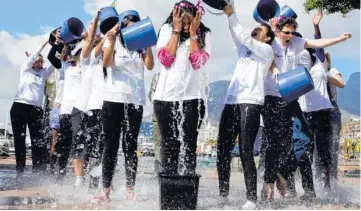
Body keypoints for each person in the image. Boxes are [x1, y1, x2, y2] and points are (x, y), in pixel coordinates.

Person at [261, 15, 352, 201]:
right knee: (281, 145)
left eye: (293, 33)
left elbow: (319, 44)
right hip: (281, 100)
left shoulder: (306, 51)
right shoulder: (278, 47)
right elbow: (261, 47)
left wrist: (339, 38)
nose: (290, 36)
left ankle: (286, 174)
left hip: (302, 103)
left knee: (311, 142)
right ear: (279, 31)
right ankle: (275, 183)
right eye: (287, 33)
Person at [216, 3, 274, 209]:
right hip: (231, 101)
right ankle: (223, 194)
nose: (255, 29)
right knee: (222, 149)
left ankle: (251, 198)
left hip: (251, 102)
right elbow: (237, 34)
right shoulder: (243, 51)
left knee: (245, 150)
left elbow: (245, 37)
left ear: (267, 37)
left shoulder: (266, 51)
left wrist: (233, 15)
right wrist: (229, 15)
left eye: (261, 29)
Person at [93, 10, 154, 202]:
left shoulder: (141, 47)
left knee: (130, 146)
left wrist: (148, 43)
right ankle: (105, 190)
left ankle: (130, 190)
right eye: (130, 22)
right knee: (110, 146)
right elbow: (107, 62)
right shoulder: (115, 41)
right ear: (123, 23)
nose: (133, 25)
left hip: (135, 101)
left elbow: (150, 66)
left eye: (136, 22)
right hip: (113, 99)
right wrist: (110, 39)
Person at [153, 0, 211, 176]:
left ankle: (187, 192)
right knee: (169, 146)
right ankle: (169, 192)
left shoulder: (205, 34)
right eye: (182, 22)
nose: (186, 26)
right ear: (175, 18)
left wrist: (193, 34)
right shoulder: (166, 29)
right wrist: (175, 31)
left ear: (195, 19)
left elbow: (198, 62)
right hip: (165, 98)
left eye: (189, 22)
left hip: (192, 98)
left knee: (189, 146)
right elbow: (165, 59)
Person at [10, 40, 55, 178]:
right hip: (19, 107)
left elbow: (54, 63)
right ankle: (20, 171)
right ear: (32, 62)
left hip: (35, 109)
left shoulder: (43, 74)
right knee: (20, 140)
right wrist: (46, 41)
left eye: (42, 62)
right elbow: (34, 55)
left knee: (38, 141)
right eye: (38, 61)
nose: (40, 64)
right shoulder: (25, 69)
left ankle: (38, 171)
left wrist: (58, 47)